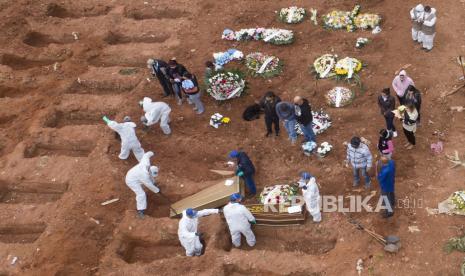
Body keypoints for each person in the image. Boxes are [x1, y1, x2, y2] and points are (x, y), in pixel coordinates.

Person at [125, 151, 160, 218]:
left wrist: (151, 153)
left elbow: (146, 155)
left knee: (150, 180)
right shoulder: (144, 176)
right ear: (150, 171)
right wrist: (157, 191)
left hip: (134, 174)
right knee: (141, 194)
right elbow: (149, 185)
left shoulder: (146, 163)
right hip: (131, 180)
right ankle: (140, 211)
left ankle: (154, 185)